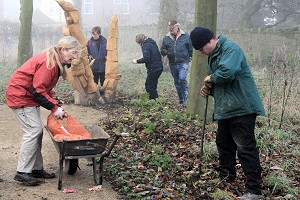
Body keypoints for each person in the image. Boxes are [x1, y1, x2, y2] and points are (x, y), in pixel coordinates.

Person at [190, 27, 265, 200]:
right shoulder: (212, 55)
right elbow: (218, 79)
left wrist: (211, 78)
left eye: (201, 48)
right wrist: (209, 88)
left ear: (210, 41)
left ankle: (254, 190)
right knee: (223, 143)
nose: (201, 52)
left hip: (242, 107)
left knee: (245, 147)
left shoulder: (231, 49)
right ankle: (226, 177)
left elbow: (227, 73)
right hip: (226, 109)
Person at [6, 36, 82, 186]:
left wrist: (54, 100)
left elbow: (44, 86)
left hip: (28, 96)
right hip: (20, 95)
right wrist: (54, 108)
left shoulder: (54, 60)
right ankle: (22, 172)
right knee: (33, 131)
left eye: (76, 55)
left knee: (37, 131)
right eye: (73, 53)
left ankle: (35, 168)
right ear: (63, 49)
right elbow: (38, 90)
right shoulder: (50, 63)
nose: (74, 58)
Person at [161, 19, 193, 105]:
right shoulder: (166, 38)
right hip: (172, 63)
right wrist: (164, 52)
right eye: (169, 28)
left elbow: (191, 49)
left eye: (172, 28)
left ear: (177, 26)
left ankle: (187, 98)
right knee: (177, 82)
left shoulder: (186, 36)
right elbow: (163, 49)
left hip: (184, 62)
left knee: (182, 79)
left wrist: (191, 57)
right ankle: (181, 100)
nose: (170, 30)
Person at [132, 34, 163, 99]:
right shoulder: (152, 43)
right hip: (159, 67)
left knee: (149, 86)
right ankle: (155, 100)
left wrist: (136, 61)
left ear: (140, 42)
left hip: (153, 68)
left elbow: (146, 58)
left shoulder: (145, 45)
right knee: (152, 85)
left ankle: (154, 101)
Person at [87, 26, 107, 91]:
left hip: (103, 64)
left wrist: (107, 56)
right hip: (94, 65)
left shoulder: (105, 41)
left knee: (103, 81)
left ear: (99, 33)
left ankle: (104, 94)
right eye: (92, 34)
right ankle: (96, 95)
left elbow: (108, 50)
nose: (93, 36)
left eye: (95, 34)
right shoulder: (89, 42)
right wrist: (89, 56)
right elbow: (87, 51)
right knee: (94, 82)